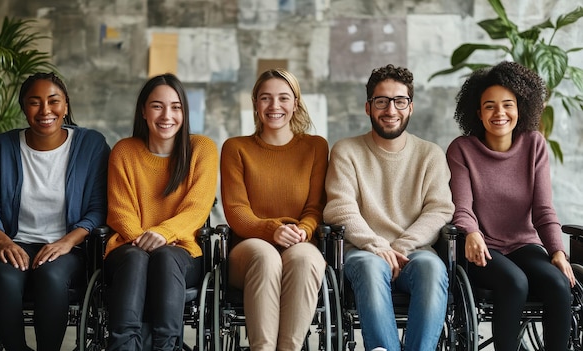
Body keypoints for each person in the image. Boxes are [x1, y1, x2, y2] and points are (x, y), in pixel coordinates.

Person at [323, 64, 454, 351]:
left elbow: (440, 210)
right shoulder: (347, 151)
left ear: (411, 107)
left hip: (415, 253)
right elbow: (339, 208)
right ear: (368, 107)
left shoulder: (429, 154)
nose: (391, 110)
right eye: (381, 101)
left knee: (433, 269)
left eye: (400, 101)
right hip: (363, 252)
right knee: (370, 268)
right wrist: (377, 245)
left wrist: (401, 247)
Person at [0, 72, 110, 351]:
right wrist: (2, 241)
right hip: (14, 241)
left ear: (66, 105)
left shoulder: (90, 145)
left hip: (68, 246)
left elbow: (98, 210)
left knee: (51, 276)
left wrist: (66, 242)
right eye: (35, 102)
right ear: (23, 107)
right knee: (3, 276)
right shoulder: (1, 147)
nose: (45, 110)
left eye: (53, 101)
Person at [447, 60, 575, 350]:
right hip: (482, 248)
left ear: (520, 109)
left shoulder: (534, 144)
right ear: (478, 113)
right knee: (515, 282)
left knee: (558, 284)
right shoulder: (462, 149)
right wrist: (472, 232)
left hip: (523, 245)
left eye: (508, 104)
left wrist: (557, 252)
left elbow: (543, 210)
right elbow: (462, 207)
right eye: (489, 106)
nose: (499, 113)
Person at [104, 73, 218, 351]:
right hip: (129, 249)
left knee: (165, 257)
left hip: (183, 253)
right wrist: (144, 239)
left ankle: (167, 346)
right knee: (135, 259)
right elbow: (120, 211)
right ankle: (124, 346)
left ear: (184, 112)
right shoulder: (124, 151)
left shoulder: (201, 149)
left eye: (176, 107)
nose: (167, 115)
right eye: (157, 106)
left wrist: (163, 234)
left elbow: (197, 208)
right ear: (143, 111)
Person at [220, 68, 328, 351]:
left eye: (283, 98)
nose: (274, 106)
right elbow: (236, 210)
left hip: (300, 242)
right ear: (255, 104)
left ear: (295, 103)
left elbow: (315, 207)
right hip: (249, 246)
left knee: (305, 260)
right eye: (266, 98)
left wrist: (303, 231)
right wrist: (272, 230)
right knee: (266, 257)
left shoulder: (316, 147)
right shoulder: (236, 148)